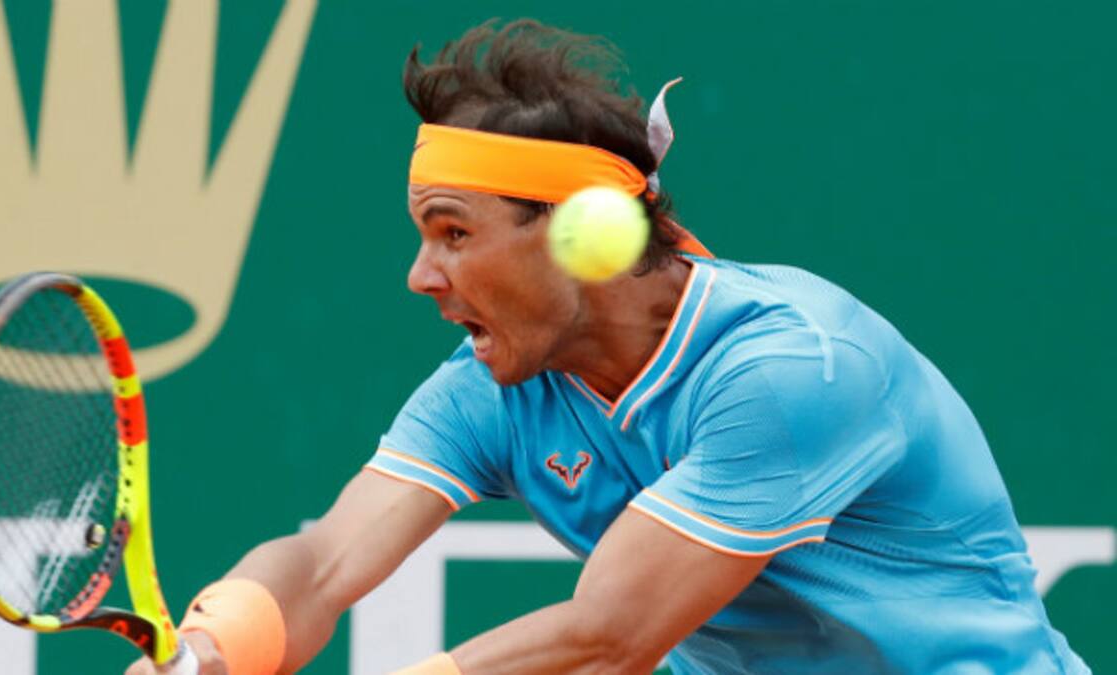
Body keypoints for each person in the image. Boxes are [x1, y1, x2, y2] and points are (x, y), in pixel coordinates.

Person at [129, 20, 1088, 675]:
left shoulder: (794, 371)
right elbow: (324, 561)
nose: (421, 275)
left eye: (453, 232)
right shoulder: (493, 385)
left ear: (579, 235)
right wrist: (213, 651)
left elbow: (608, 638)